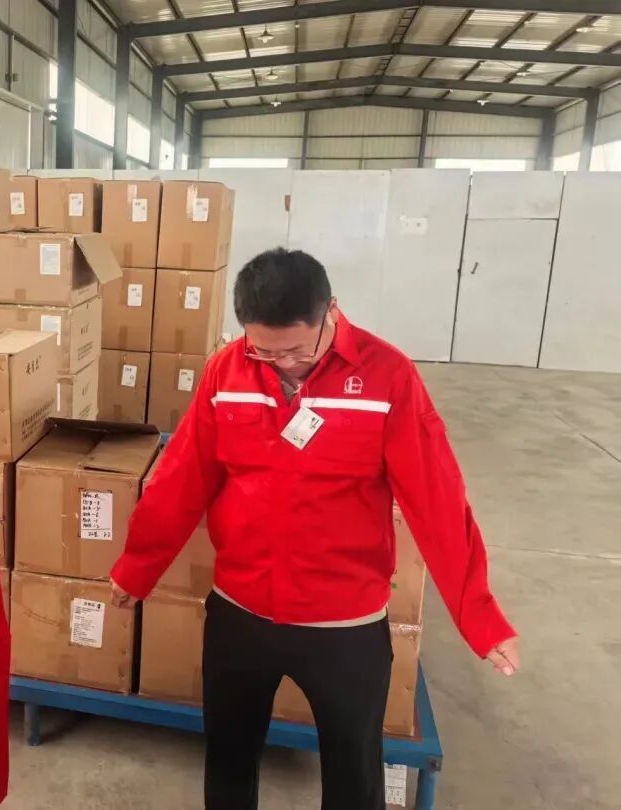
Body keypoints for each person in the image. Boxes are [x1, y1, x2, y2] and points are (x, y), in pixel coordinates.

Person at [110, 248, 520, 810]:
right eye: (264, 350)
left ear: (331, 311)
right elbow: (181, 479)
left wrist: (480, 616)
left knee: (354, 774)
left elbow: (439, 502)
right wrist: (137, 568)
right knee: (228, 761)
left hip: (343, 624)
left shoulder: (387, 376)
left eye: (297, 350)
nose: (282, 364)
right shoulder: (226, 371)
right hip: (241, 613)